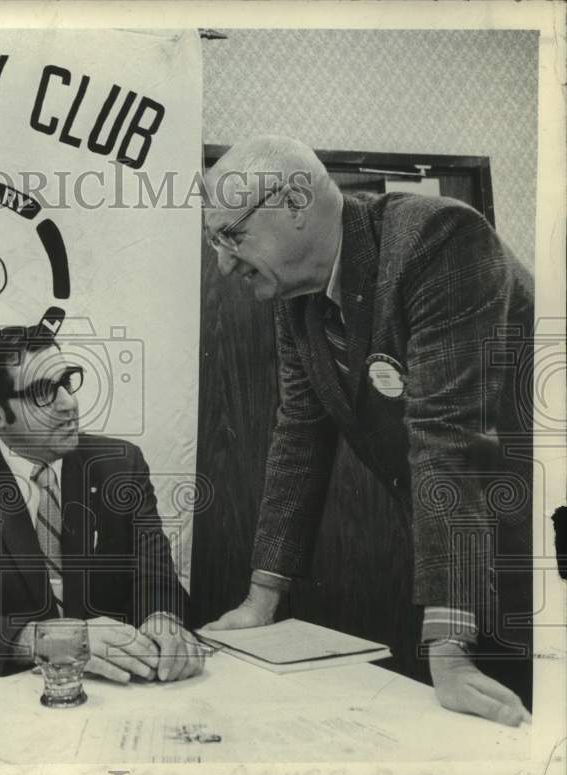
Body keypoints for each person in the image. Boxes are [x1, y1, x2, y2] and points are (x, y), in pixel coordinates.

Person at [201, 136, 534, 727]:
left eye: (231, 235)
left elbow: (448, 440)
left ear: (296, 203)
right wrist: (260, 601)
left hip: (533, 543)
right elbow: (299, 438)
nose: (223, 262)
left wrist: (450, 650)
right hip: (461, 546)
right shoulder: (296, 294)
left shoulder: (440, 239)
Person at [0, 325, 204, 683]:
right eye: (44, 393)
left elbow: (155, 574)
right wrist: (48, 641)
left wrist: (163, 619)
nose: (69, 403)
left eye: (67, 381)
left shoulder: (120, 464)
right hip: (18, 700)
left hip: (118, 690)